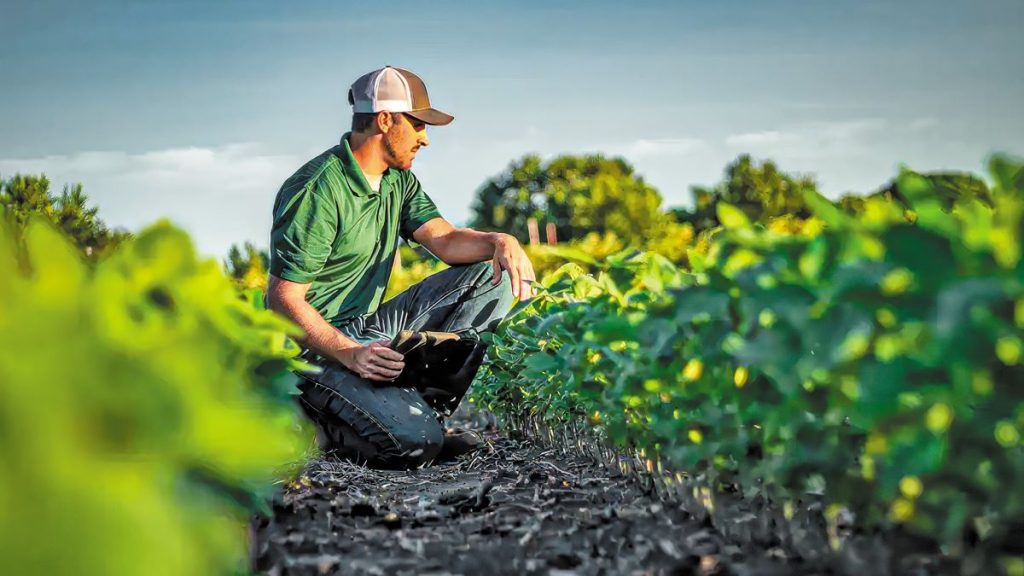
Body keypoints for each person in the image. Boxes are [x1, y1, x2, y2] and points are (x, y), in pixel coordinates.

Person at [266, 65, 536, 469]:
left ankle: (417, 413)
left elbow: (444, 240)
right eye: (418, 124)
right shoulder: (318, 190)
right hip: (315, 350)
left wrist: (500, 241)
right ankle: (312, 422)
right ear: (385, 119)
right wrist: (351, 353)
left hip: (369, 326)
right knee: (414, 447)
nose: (425, 138)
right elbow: (282, 300)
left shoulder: (398, 182)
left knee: (490, 277)